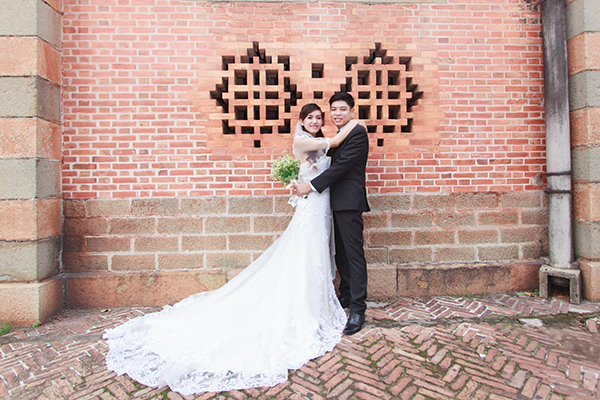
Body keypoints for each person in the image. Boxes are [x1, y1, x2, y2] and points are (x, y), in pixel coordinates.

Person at [103, 103, 365, 395]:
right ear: (301, 121)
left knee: (315, 254)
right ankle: (305, 307)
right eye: (311, 117)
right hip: (312, 208)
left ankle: (318, 301)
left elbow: (329, 162)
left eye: (319, 117)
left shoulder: (317, 142)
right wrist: (356, 122)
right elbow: (335, 144)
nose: (316, 121)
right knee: (306, 254)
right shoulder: (306, 142)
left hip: (321, 207)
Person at [294, 92, 370, 336]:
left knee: (354, 254)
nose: (337, 113)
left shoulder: (357, 133)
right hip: (329, 203)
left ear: (352, 112)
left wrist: (311, 185)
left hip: (348, 202)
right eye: (334, 109)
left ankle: (358, 309)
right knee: (342, 255)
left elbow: (341, 167)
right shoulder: (335, 135)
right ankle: (346, 295)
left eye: (342, 109)